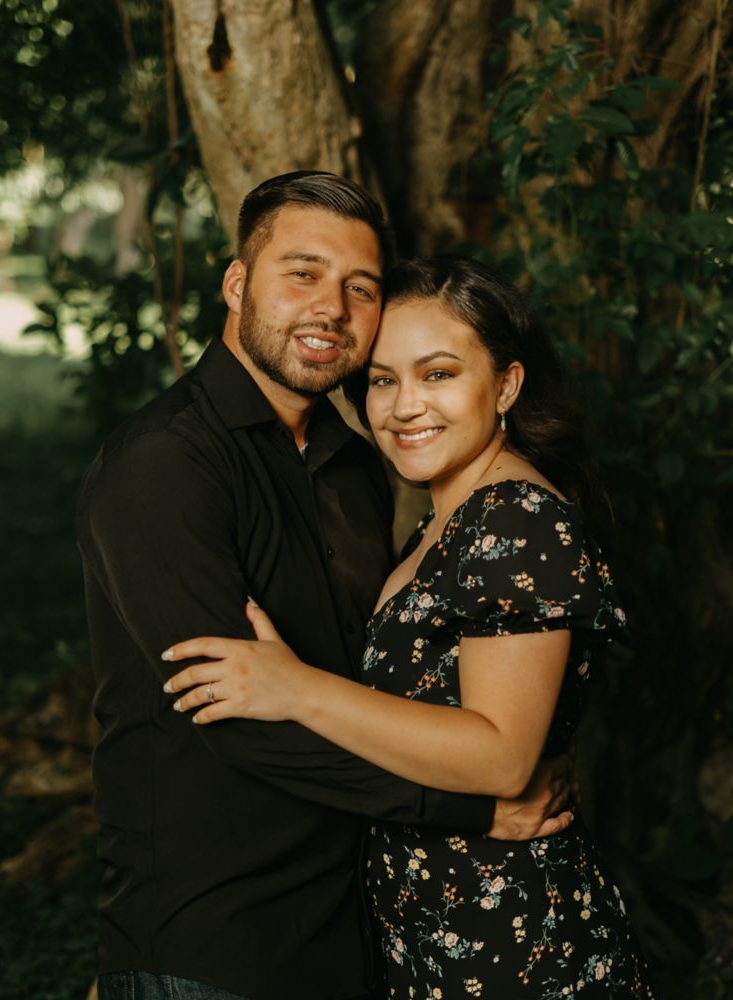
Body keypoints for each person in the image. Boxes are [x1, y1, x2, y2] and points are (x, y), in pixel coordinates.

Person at [77, 173, 572, 1000]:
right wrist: (475, 809)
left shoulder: (356, 467)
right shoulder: (163, 463)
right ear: (237, 284)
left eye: (360, 288)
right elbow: (240, 724)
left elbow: (362, 688)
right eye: (302, 273)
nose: (332, 308)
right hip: (214, 945)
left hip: (354, 931)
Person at [163, 256, 655, 998]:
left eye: (438, 374)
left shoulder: (515, 518)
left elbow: (502, 760)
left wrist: (295, 689)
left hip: (510, 944)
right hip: (432, 931)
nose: (403, 407)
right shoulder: (444, 519)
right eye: (383, 380)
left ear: (507, 386)